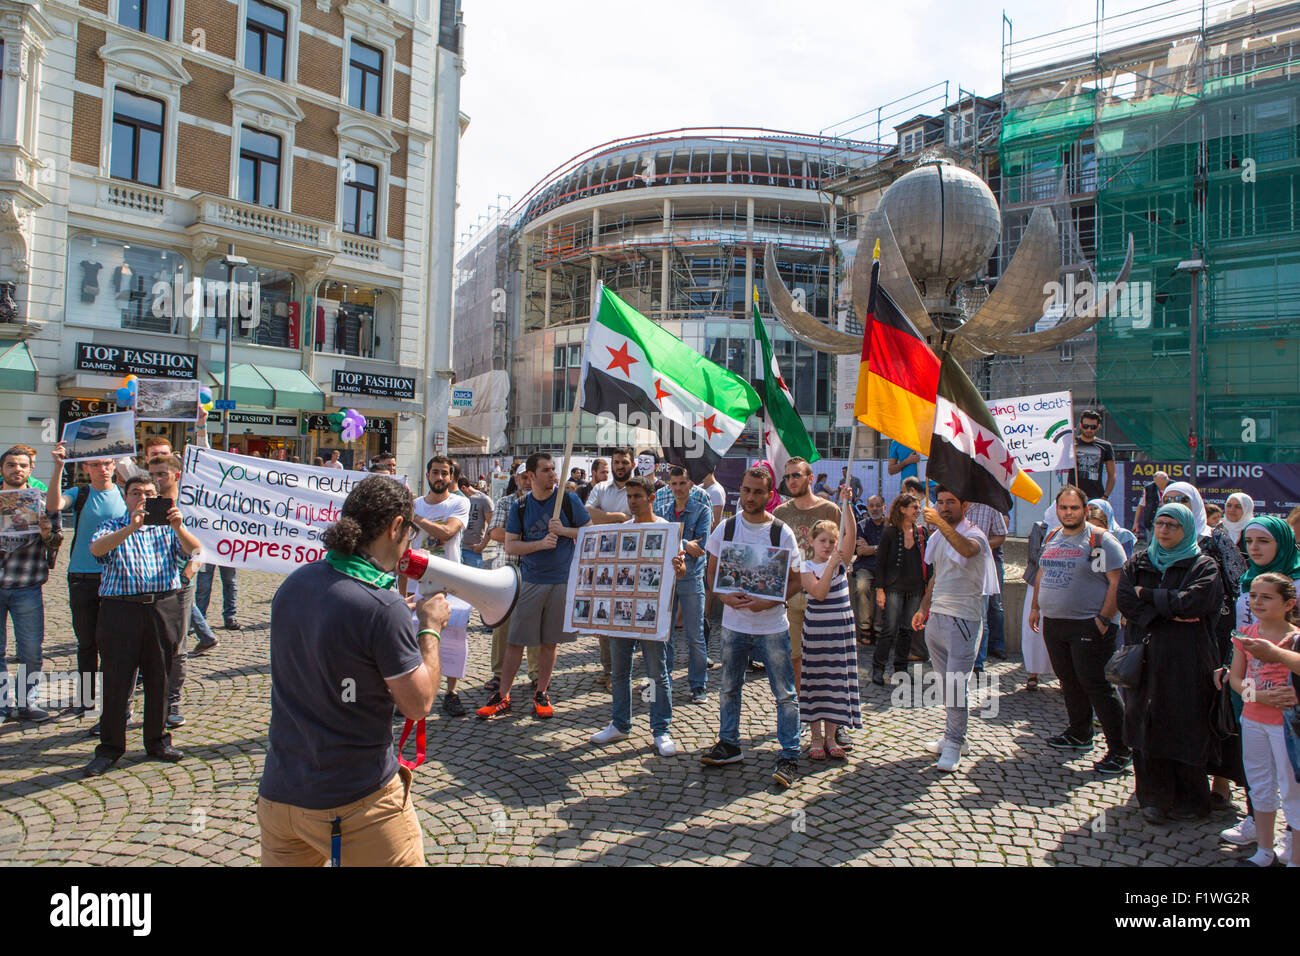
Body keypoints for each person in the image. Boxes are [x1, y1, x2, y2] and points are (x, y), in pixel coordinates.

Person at [258, 476, 450, 866]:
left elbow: (336, 645)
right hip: (357, 804)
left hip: (280, 794)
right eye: (410, 530)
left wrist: (389, 625)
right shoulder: (383, 606)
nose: (409, 542)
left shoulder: (295, 583)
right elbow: (418, 704)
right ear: (396, 526)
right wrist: (429, 628)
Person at [82, 475, 202, 776]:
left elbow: (196, 551)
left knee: (160, 676)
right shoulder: (113, 525)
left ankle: (157, 740)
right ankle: (110, 747)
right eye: (136, 493)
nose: (143, 498)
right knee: (116, 679)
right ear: (126, 497)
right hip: (121, 609)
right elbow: (97, 550)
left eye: (149, 493)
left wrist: (178, 526)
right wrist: (131, 527)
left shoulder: (167, 528)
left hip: (162, 606)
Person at [1117, 503, 1224, 823]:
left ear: (1187, 529)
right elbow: (1126, 600)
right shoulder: (1139, 561)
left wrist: (1148, 595)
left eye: (1172, 525)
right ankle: (1152, 797)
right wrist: (1169, 611)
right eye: (1159, 523)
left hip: (1188, 660)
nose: (1163, 530)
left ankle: (1191, 800)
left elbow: (1195, 601)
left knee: (1187, 726)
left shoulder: (1204, 565)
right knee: (1145, 725)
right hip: (1146, 658)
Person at [700, 466, 803, 788]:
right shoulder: (726, 529)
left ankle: (789, 753)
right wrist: (722, 596)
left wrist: (771, 601)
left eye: (758, 492)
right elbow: (712, 574)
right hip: (734, 624)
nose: (750, 497)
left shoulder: (781, 532)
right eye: (746, 490)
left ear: (769, 495)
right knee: (729, 687)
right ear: (740, 491)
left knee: (784, 693)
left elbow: (797, 579)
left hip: (772, 625)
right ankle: (729, 743)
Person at [478, 453, 591, 721]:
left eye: (554, 469)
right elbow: (511, 544)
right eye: (546, 470)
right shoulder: (520, 506)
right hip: (530, 580)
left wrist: (564, 531)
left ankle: (541, 693)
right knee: (516, 640)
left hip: (561, 580)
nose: (553, 475)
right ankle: (502, 695)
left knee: (549, 643)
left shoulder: (569, 500)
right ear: (531, 475)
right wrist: (540, 544)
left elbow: (589, 531)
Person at [1029, 486, 1131, 775]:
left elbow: (1115, 581)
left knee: (1097, 686)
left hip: (1089, 624)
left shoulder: (1099, 540)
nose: (1068, 513)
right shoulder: (1052, 536)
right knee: (1069, 681)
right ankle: (1079, 733)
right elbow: (1042, 572)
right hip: (1055, 622)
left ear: (1085, 510)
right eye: (1063, 507)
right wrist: (1036, 606)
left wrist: (1103, 618)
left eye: (1074, 508)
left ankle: (1121, 749)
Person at [911, 487, 997, 773]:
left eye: (951, 502)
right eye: (941, 502)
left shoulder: (974, 534)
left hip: (964, 618)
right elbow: (937, 575)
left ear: (965, 504)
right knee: (945, 684)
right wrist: (924, 607)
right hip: (938, 615)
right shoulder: (939, 536)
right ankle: (955, 738)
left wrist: (939, 522)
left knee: (956, 684)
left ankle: (953, 741)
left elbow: (966, 550)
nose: (945, 507)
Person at [591, 476, 676, 756]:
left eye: (637, 496)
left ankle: (661, 729)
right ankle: (620, 723)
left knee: (655, 673)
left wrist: (681, 566)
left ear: (651, 498)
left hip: (651, 614)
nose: (632, 501)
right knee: (619, 672)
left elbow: (677, 570)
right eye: (629, 497)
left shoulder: (667, 529)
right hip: (622, 612)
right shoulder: (622, 529)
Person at [47, 445, 126, 725]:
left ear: (115, 466)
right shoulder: (79, 494)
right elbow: (54, 506)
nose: (102, 468)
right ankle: (85, 701)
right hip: (81, 576)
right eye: (96, 464)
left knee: (113, 644)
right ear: (86, 469)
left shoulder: (126, 495)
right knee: (86, 643)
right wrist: (57, 466)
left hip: (117, 578)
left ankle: (112, 703)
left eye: (107, 463)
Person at [1226, 573, 1300, 866]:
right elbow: (1235, 677)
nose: (1257, 601)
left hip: (1287, 727)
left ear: (1288, 603)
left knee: (1292, 788)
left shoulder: (1295, 638)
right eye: (1254, 595)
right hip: (1253, 717)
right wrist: (1258, 696)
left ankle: (1294, 855)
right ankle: (1264, 849)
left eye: (1266, 597)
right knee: (1259, 783)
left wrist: (1276, 654)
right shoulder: (1244, 634)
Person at [146, 453, 215, 728]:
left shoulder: (189, 503)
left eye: (162, 474)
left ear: (176, 474)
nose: (157, 479)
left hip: (180, 582)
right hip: (149, 580)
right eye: (153, 474)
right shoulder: (147, 501)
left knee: (177, 647)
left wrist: (188, 572)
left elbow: (203, 543)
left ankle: (171, 702)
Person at [407, 456, 470, 717]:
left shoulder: (459, 502)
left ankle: (451, 693)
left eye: (445, 473)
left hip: (450, 582)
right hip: (417, 583)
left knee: (453, 638)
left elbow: (446, 533)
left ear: (451, 478)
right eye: (435, 472)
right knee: (413, 638)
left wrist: (416, 518)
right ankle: (413, 693)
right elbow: (405, 546)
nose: (440, 478)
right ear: (427, 475)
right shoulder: (414, 505)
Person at [773, 457, 841, 696]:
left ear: (811, 478)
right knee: (794, 658)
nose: (791, 480)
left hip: (823, 594)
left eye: (796, 475)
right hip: (791, 595)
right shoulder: (780, 512)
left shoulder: (829, 509)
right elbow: (777, 555)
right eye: (787, 476)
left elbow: (841, 550)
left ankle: (834, 719)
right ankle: (802, 711)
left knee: (826, 660)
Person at [799, 513, 862, 760]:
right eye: (823, 541)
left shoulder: (841, 562)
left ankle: (831, 737)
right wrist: (830, 567)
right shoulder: (806, 567)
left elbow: (852, 535)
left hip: (840, 629)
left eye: (832, 542)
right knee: (816, 682)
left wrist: (848, 507)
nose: (828, 546)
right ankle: (815, 738)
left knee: (836, 681)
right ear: (812, 543)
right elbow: (819, 593)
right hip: (817, 630)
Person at [0, 447, 56, 723]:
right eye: (11, 465)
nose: (17, 469)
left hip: (27, 585)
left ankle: (27, 702)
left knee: (31, 650)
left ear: (30, 470)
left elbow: (55, 545)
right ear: (2, 469)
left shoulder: (42, 500)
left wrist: (48, 534)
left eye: (22, 465)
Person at [656, 466, 712, 703]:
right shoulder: (664, 510)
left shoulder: (702, 510)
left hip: (691, 579)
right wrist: (685, 542)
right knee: (664, 635)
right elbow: (660, 541)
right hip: (667, 578)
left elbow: (701, 548)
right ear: (669, 486)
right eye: (674, 484)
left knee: (695, 636)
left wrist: (677, 540)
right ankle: (663, 680)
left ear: (690, 485)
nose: (678, 488)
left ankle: (698, 686)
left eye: (682, 483)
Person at [586, 447, 636, 689]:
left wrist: (602, 515)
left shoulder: (638, 488)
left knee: (626, 616)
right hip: (604, 560)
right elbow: (589, 514)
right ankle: (609, 670)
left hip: (631, 561)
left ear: (632, 464)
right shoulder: (600, 488)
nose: (619, 466)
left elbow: (641, 519)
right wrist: (617, 516)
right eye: (616, 462)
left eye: (624, 462)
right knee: (604, 617)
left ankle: (623, 671)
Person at [484, 468, 538, 692]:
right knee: (502, 627)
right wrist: (523, 537)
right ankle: (499, 674)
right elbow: (495, 532)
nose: (527, 482)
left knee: (535, 626)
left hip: (534, 572)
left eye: (530, 478)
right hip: (506, 573)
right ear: (516, 479)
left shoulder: (541, 502)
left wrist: (515, 537)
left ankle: (536, 674)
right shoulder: (506, 502)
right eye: (523, 478)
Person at [872, 493, 928, 685]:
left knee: (907, 630)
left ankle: (900, 670)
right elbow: (880, 563)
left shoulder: (921, 532)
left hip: (915, 588)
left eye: (918, 507)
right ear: (903, 509)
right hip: (894, 587)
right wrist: (880, 588)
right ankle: (878, 668)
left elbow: (927, 562)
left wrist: (927, 589)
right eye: (914, 507)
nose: (918, 511)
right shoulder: (890, 532)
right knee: (889, 629)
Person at [965, 502, 1009, 670]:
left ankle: (978, 661)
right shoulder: (954, 502)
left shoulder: (990, 507)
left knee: (983, 614)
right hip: (958, 565)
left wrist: (981, 545)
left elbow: (1001, 535)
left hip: (982, 564)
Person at [1021, 502, 1057, 691]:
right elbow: (1035, 556)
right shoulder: (1040, 527)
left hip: (1062, 589)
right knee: (1034, 630)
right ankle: (1033, 672)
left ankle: (1061, 675)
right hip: (1038, 584)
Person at [853, 495, 886, 646]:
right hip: (865, 566)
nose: (875, 509)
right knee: (862, 587)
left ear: (884, 507)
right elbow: (860, 552)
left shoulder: (890, 526)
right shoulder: (862, 525)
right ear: (867, 507)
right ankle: (865, 627)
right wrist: (878, 548)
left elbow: (889, 550)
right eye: (871, 506)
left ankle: (879, 628)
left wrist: (870, 548)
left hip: (885, 567)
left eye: (878, 505)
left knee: (885, 589)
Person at [1071, 409, 1115, 502]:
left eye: (1093, 427)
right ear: (1081, 425)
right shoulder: (1072, 442)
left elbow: (1112, 474)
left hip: (1095, 496)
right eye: (1086, 426)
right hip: (1073, 494)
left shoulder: (1105, 446)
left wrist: (1105, 496)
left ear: (1098, 426)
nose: (1089, 430)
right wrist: (1070, 442)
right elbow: (1062, 461)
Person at [458, 475, 494, 570]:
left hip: (472, 551)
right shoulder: (458, 500)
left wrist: (482, 546)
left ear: (463, 488)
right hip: (456, 549)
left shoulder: (484, 500)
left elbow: (492, 525)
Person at [1132, 470, 1170, 541]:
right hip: (1152, 520)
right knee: (1151, 543)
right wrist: (1136, 523)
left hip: (1169, 519)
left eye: (1161, 484)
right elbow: (1140, 506)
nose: (1159, 486)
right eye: (1157, 484)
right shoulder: (1149, 488)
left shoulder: (1174, 487)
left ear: (1167, 480)